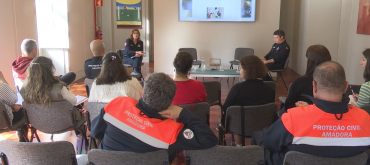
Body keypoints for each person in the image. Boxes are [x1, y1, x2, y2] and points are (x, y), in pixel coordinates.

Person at [252, 61, 370, 165]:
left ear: (314, 86)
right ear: (345, 87)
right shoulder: (365, 118)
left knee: (259, 137)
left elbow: (269, 142)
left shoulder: (294, 117)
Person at [90, 72, 218, 162]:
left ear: (143, 92)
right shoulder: (171, 131)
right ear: (171, 101)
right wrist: (183, 113)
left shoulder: (119, 103)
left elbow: (96, 131)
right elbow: (209, 139)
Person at [221, 55, 275, 146]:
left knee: (237, 115)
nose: (239, 70)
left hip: (239, 126)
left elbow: (226, 108)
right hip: (262, 124)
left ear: (247, 71)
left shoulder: (237, 88)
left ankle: (238, 146)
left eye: (241, 68)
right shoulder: (269, 89)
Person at [20, 56, 83, 121]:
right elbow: (73, 101)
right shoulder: (59, 88)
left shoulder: (23, 90)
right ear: (50, 70)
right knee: (79, 107)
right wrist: (67, 89)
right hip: (63, 122)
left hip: (38, 123)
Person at [12, 39, 76, 89]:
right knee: (71, 75)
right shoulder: (35, 64)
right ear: (34, 51)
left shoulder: (15, 64)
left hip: (23, 93)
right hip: (42, 91)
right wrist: (56, 78)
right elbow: (45, 80)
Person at [284, 45, 331, 110]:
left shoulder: (300, 83)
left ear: (310, 62)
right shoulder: (334, 82)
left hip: (301, 117)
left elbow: (288, 107)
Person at [0, 71, 28, 142]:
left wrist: (10, 106)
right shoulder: (3, 87)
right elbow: (13, 99)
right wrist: (2, 79)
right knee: (23, 111)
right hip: (6, 122)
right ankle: (23, 140)